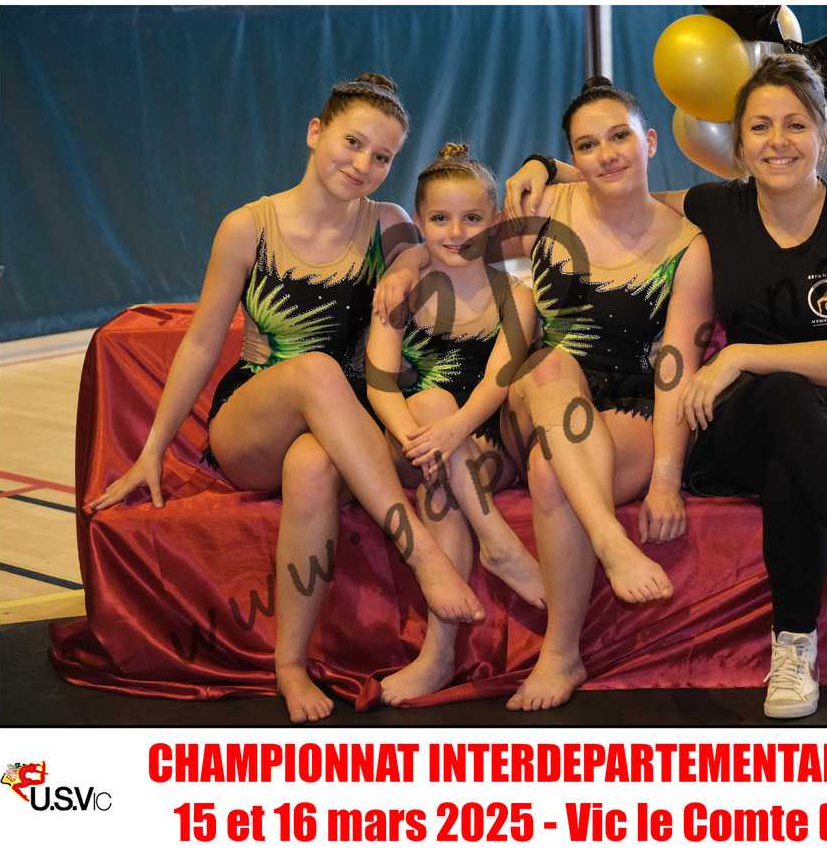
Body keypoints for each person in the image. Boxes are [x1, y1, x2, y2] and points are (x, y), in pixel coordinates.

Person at [506, 54, 827, 719]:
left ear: (823, 133)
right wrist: (541, 165)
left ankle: (802, 638)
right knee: (782, 396)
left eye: (795, 125)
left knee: (791, 461)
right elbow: (618, 177)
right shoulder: (718, 208)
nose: (778, 141)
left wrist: (740, 355)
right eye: (760, 127)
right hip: (759, 412)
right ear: (739, 144)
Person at [85, 74, 484, 724]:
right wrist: (153, 448)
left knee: (313, 464)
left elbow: (423, 255)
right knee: (314, 371)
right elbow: (200, 343)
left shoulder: (389, 223)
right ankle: (422, 554)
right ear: (315, 131)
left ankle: (289, 664)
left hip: (342, 424)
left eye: (382, 156)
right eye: (352, 143)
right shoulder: (249, 226)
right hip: (256, 418)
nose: (363, 164)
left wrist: (408, 266)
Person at [483, 77, 712, 711]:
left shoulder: (687, 246)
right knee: (550, 365)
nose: (606, 155)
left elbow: (676, 367)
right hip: (538, 396)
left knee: (549, 471)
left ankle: (561, 655)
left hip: (626, 408)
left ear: (650, 141)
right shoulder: (548, 208)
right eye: (587, 146)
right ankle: (612, 543)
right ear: (572, 159)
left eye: (619, 137)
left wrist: (666, 479)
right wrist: (408, 264)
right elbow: (456, 244)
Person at [364, 141, 545, 705]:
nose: (456, 231)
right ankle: (497, 543)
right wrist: (418, 438)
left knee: (439, 474)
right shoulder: (400, 290)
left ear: (495, 220)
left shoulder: (515, 294)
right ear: (419, 222)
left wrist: (452, 430)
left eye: (472, 218)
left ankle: (438, 656)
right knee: (429, 406)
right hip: (411, 437)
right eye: (440, 219)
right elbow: (379, 383)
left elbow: (498, 380)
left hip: (485, 441)